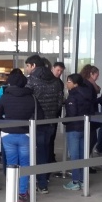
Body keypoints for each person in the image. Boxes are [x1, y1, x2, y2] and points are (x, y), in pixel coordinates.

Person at [0, 72, 42, 202]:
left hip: (7, 134)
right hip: (26, 134)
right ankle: (22, 192)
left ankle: (12, 191)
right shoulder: (31, 97)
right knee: (25, 164)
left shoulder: (5, 97)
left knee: (11, 164)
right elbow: (40, 116)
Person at [24, 55, 63, 193]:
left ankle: (35, 180)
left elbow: (27, 102)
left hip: (35, 122)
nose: (26, 69)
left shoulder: (31, 81)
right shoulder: (56, 81)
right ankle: (43, 181)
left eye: (27, 66)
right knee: (45, 150)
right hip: (50, 121)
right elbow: (59, 102)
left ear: (33, 66)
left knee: (33, 152)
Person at [62, 74, 95, 191]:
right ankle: (83, 180)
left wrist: (64, 121)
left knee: (75, 156)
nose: (67, 84)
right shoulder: (87, 94)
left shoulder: (73, 96)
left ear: (75, 83)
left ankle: (76, 181)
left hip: (74, 128)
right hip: (85, 127)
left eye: (69, 82)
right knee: (83, 155)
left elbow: (72, 114)